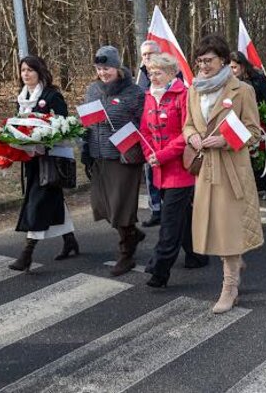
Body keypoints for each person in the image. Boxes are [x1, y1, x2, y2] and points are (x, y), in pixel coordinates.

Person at [183, 34, 263, 314]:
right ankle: (234, 263)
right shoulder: (194, 90)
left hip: (231, 169)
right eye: (199, 61)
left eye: (209, 60)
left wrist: (226, 140)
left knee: (228, 227)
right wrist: (192, 137)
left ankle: (229, 287)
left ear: (224, 60)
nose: (203, 66)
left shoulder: (242, 90)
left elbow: (254, 132)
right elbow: (188, 124)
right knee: (216, 227)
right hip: (205, 169)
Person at [140, 54, 208, 288]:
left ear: (171, 73)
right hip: (159, 169)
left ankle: (159, 269)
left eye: (158, 72)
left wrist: (162, 155)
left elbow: (187, 133)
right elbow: (144, 130)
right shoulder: (149, 95)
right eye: (151, 73)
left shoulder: (184, 95)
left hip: (180, 169)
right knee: (183, 214)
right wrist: (149, 154)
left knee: (170, 221)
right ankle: (197, 255)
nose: (153, 77)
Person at [9, 55, 79, 272]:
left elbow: (64, 125)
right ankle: (70, 240)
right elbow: (17, 126)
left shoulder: (51, 95)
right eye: (23, 70)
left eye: (30, 70)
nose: (26, 74)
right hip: (31, 160)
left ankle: (27, 253)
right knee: (53, 199)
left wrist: (45, 139)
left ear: (40, 72)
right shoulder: (21, 98)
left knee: (37, 203)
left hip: (51, 159)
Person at [81, 45, 146, 276]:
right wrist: (84, 147)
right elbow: (86, 122)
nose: (103, 73)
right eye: (99, 69)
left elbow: (144, 123)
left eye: (107, 68)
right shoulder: (92, 90)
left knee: (121, 207)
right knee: (103, 205)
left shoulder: (134, 92)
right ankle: (132, 234)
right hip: (99, 155)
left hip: (124, 157)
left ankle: (126, 254)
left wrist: (128, 135)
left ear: (117, 67)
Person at [230, 51, 266, 222]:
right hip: (239, 130)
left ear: (243, 66)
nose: (232, 71)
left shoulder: (258, 80)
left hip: (261, 129)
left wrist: (265, 123)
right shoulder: (228, 84)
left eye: (234, 67)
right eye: (229, 68)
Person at [136, 40, 163, 227]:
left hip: (167, 131)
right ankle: (156, 210)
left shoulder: (172, 73)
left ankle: (171, 208)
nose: (147, 57)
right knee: (150, 173)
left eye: (150, 53)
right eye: (144, 54)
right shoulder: (140, 77)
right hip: (148, 133)